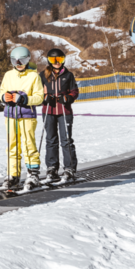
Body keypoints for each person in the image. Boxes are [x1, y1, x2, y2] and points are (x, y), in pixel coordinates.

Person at [0, 45, 46, 193]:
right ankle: (13, 174)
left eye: (22, 61)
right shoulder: (8, 75)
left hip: (26, 115)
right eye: (15, 61)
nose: (19, 64)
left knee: (28, 144)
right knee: (12, 145)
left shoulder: (34, 76)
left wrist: (24, 99)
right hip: (11, 115)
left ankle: (33, 174)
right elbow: (1, 92)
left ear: (28, 60)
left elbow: (39, 97)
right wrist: (4, 97)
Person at [39, 48, 80, 183]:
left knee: (66, 140)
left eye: (60, 59)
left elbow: (74, 91)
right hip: (49, 111)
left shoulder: (68, 75)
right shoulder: (43, 75)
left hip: (64, 111)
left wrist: (68, 98)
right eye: (53, 60)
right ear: (49, 61)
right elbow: (38, 92)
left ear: (63, 60)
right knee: (51, 140)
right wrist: (45, 98)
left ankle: (69, 168)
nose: (57, 62)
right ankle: (52, 168)